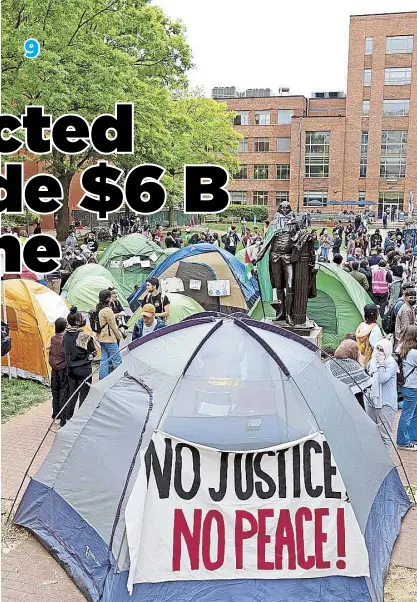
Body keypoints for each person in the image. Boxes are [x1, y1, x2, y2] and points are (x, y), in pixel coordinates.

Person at [63, 308, 96, 421]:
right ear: (78, 322)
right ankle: (80, 420)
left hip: (71, 370)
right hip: (84, 369)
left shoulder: (65, 335)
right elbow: (93, 351)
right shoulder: (84, 336)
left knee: (72, 395)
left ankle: (68, 419)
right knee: (84, 396)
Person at [367, 339, 398, 454]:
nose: (378, 351)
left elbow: (383, 378)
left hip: (385, 403)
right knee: (371, 431)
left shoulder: (391, 363)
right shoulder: (372, 361)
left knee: (385, 434)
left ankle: (388, 464)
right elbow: (367, 372)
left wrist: (380, 364)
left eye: (382, 349)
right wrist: (374, 362)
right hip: (372, 401)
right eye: (377, 348)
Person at [326, 339, 372, 409]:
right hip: (356, 406)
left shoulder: (329, 364)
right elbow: (369, 383)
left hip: (337, 404)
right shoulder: (355, 365)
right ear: (352, 351)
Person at [396, 325, 417, 450]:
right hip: (413, 386)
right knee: (408, 414)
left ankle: (412, 436)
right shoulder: (414, 353)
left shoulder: (401, 347)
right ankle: (403, 441)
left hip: (406, 384)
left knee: (413, 413)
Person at [48, 317, 70, 427]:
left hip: (54, 369)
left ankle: (55, 414)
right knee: (64, 391)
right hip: (63, 368)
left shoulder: (53, 338)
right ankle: (63, 415)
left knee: (55, 391)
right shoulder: (65, 339)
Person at [97, 290, 122, 380]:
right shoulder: (108, 310)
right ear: (108, 298)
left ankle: (102, 379)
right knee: (117, 359)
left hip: (101, 338)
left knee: (104, 360)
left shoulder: (99, 308)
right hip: (109, 338)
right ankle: (119, 379)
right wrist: (119, 336)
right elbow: (113, 326)